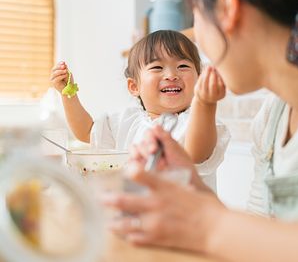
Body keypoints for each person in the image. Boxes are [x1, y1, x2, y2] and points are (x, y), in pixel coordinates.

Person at [101, 0, 298, 261]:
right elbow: (263, 234)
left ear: (226, 7)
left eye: (195, 19)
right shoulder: (270, 120)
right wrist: (196, 197)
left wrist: (207, 224)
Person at [50, 30, 229, 190]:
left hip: (185, 224)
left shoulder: (198, 122)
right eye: (157, 67)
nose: (171, 75)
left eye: (183, 66)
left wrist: (205, 103)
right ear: (134, 86)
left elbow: (196, 153)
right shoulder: (125, 120)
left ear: (199, 78)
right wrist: (68, 95)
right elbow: (87, 132)